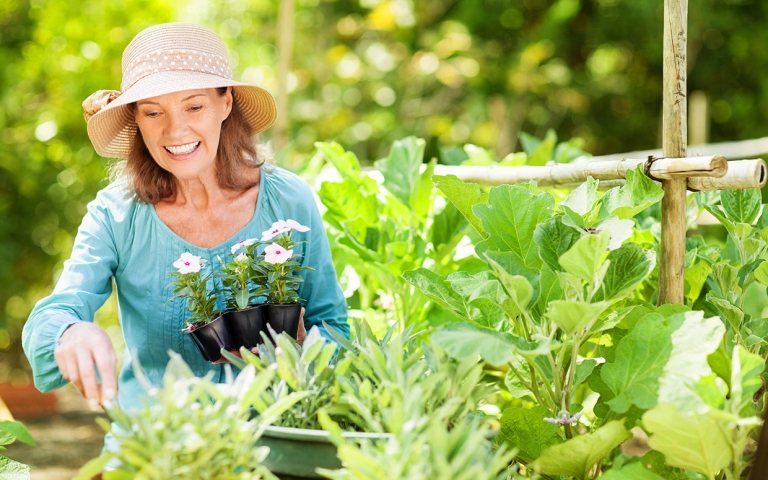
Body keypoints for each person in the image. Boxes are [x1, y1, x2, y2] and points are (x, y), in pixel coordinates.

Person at [22, 23, 349, 414]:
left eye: (194, 106)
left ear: (225, 103)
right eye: (153, 111)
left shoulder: (288, 200)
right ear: (136, 120)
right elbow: (54, 314)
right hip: (156, 442)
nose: (175, 130)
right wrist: (70, 331)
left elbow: (332, 325)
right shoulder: (116, 214)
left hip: (270, 437)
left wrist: (297, 358)